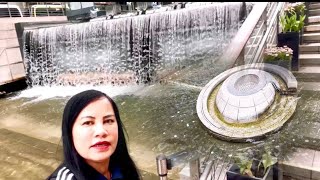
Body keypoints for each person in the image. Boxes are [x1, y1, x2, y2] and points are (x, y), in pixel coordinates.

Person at [47, 89, 141, 180]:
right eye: (88, 122)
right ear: (70, 132)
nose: (101, 132)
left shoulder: (123, 169)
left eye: (108, 121)